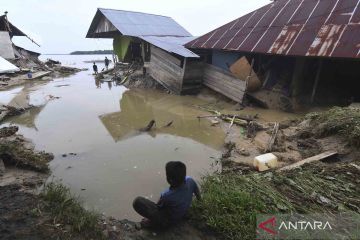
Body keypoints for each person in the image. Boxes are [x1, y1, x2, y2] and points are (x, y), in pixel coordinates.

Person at [133, 161, 201, 229]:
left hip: (169, 221)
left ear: (169, 180)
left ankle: (153, 224)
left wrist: (150, 218)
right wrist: (200, 204)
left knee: (137, 202)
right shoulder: (190, 180)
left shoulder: (167, 195)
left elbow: (158, 208)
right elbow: (197, 192)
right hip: (183, 212)